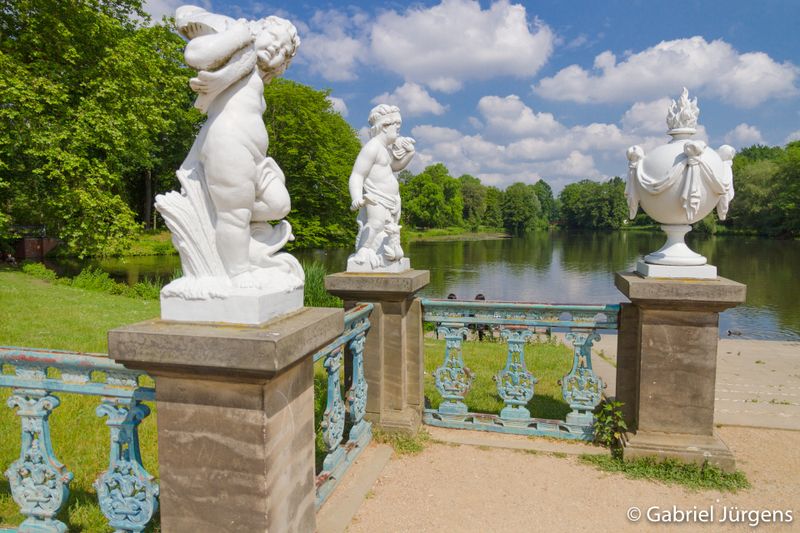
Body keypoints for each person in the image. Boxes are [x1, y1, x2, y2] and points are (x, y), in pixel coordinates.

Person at [176, 7, 300, 287]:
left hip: (255, 157)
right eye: (274, 39)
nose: (276, 49)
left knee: (278, 204)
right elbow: (195, 55)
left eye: (283, 51)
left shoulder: (253, 76)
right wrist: (238, 35)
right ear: (258, 29)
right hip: (227, 141)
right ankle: (238, 272)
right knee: (235, 214)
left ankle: (226, 218)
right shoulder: (237, 49)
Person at [348, 104, 415, 269]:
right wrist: (357, 197)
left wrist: (410, 153)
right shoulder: (372, 148)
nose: (399, 130)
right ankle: (363, 251)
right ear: (385, 126)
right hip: (376, 197)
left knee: (388, 229)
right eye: (396, 126)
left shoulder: (384, 149)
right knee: (375, 224)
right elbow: (357, 175)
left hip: (391, 199)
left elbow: (395, 166)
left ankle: (383, 254)